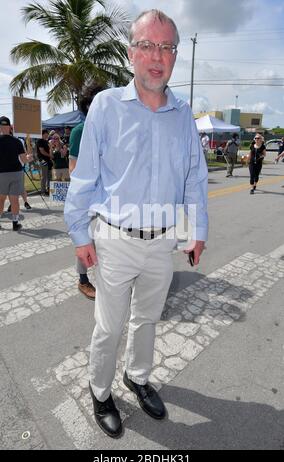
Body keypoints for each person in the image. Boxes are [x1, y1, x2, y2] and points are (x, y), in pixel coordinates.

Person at [64, 9, 208, 438]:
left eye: (166, 47)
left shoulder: (183, 114)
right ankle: (100, 389)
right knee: (109, 325)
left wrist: (196, 230)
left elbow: (195, 177)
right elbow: (84, 176)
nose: (157, 56)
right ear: (131, 53)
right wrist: (78, 234)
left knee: (147, 318)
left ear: (175, 56)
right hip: (114, 239)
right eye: (147, 45)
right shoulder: (107, 107)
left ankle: (138, 377)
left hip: (162, 241)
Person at [68, 84, 104, 300]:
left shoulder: (113, 128)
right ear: (87, 107)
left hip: (112, 198)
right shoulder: (79, 132)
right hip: (89, 198)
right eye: (94, 103)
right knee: (86, 239)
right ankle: (83, 279)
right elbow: (73, 168)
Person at [0, 116, 32, 230]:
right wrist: (29, 157)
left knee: (1, 199)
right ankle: (15, 223)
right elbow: (24, 160)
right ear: (10, 127)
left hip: (1, 174)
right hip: (15, 173)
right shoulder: (17, 141)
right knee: (14, 200)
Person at [37, 129, 53, 195]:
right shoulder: (40, 141)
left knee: (49, 176)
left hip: (48, 160)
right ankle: (43, 191)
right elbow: (42, 151)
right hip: (43, 160)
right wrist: (49, 155)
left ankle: (49, 190)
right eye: (47, 133)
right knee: (44, 176)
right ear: (43, 134)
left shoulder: (46, 141)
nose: (48, 135)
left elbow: (50, 149)